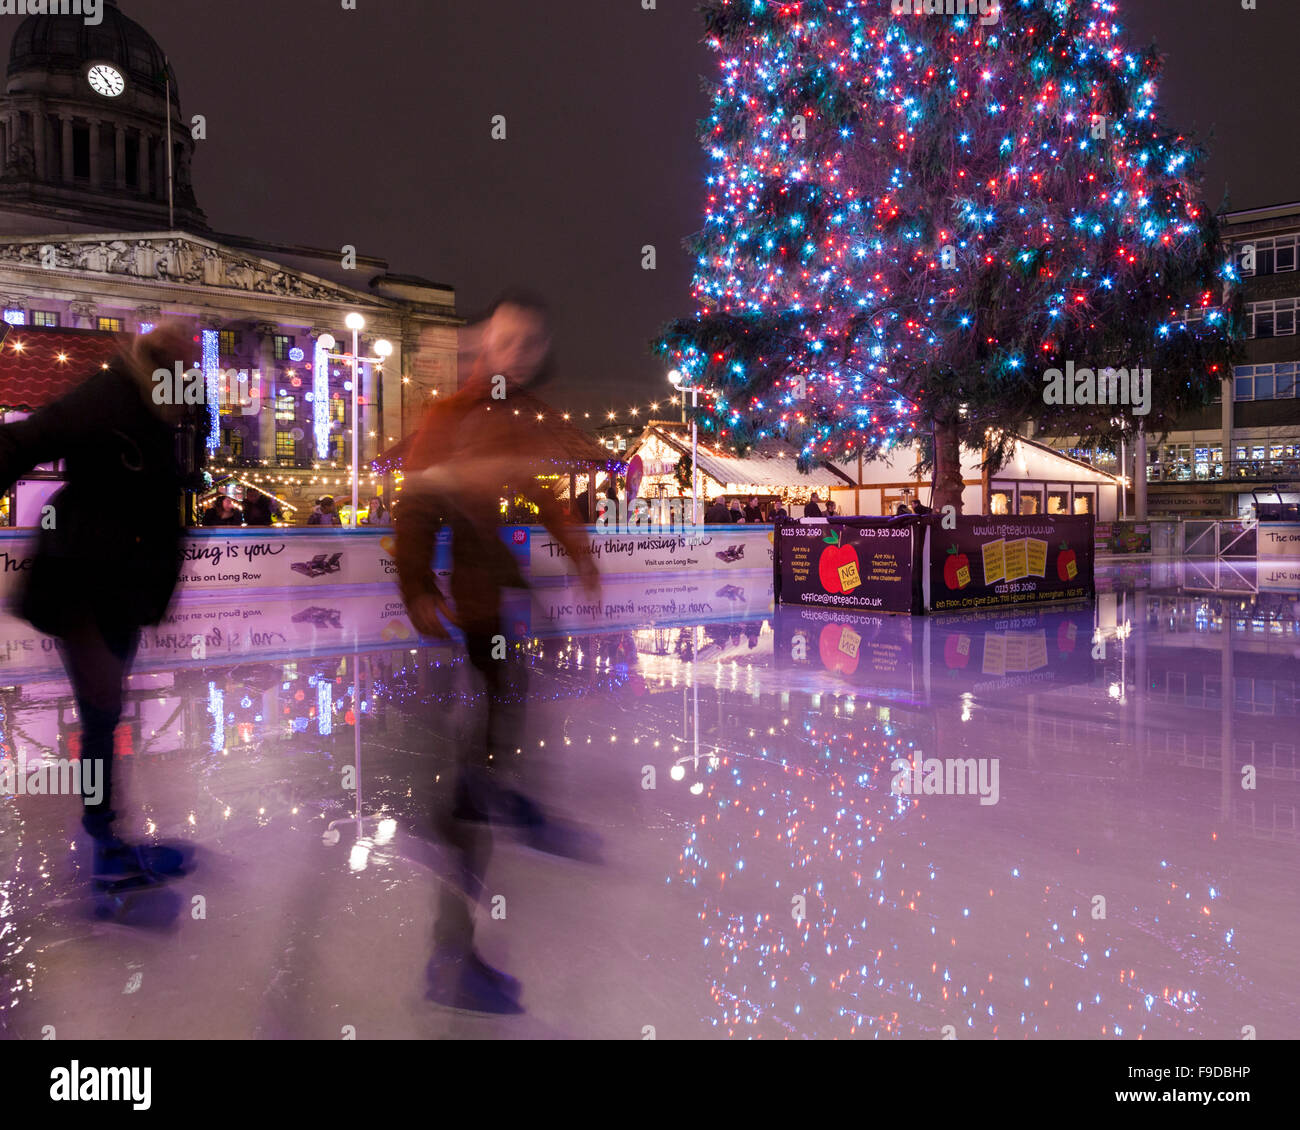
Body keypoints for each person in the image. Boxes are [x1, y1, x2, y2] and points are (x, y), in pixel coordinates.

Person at [396, 289, 600, 1014]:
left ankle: (491, 794)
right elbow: (415, 504)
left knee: (505, 724)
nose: (519, 356)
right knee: (473, 768)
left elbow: (537, 490)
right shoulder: (448, 417)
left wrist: (579, 553)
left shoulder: (511, 416)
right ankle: (453, 953)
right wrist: (418, 585)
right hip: (468, 609)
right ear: (487, 348)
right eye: (507, 343)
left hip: (499, 605)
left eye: (531, 345)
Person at [0, 321, 201, 887]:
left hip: (119, 588)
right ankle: (105, 840)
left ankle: (106, 833)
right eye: (181, 362)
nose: (189, 373)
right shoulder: (108, 395)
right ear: (157, 362)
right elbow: (23, 440)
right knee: (100, 710)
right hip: (79, 587)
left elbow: (158, 507)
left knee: (103, 716)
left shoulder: (159, 411)